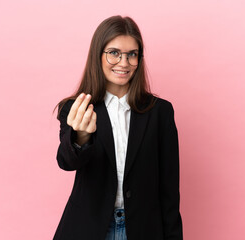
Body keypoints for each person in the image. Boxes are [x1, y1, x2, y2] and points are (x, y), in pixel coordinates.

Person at [53, 15, 183, 240]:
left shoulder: (160, 112)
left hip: (143, 229)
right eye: (114, 53)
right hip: (89, 228)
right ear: (98, 55)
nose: (124, 63)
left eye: (132, 54)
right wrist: (82, 136)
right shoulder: (77, 108)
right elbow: (66, 162)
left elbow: (169, 190)